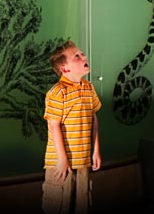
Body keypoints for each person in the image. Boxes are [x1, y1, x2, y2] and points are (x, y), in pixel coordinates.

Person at [42, 40, 102, 214]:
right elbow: (54, 126)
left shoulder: (89, 88)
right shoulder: (56, 92)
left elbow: (93, 118)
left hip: (83, 161)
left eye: (82, 53)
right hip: (61, 165)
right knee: (59, 204)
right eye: (77, 56)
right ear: (64, 68)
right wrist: (62, 159)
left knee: (82, 203)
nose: (83, 56)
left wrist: (95, 150)